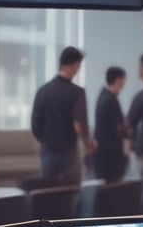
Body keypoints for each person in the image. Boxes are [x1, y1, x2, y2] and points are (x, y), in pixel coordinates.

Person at [31, 46, 97, 183]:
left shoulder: (42, 91)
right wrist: (89, 144)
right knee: (70, 193)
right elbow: (80, 126)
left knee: (48, 193)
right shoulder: (77, 93)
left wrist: (47, 140)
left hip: (48, 150)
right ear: (76, 65)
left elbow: (35, 126)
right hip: (69, 152)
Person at [94, 66, 128, 182]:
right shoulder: (111, 100)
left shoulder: (103, 94)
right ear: (118, 80)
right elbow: (118, 128)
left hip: (102, 152)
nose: (124, 84)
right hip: (110, 155)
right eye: (124, 80)